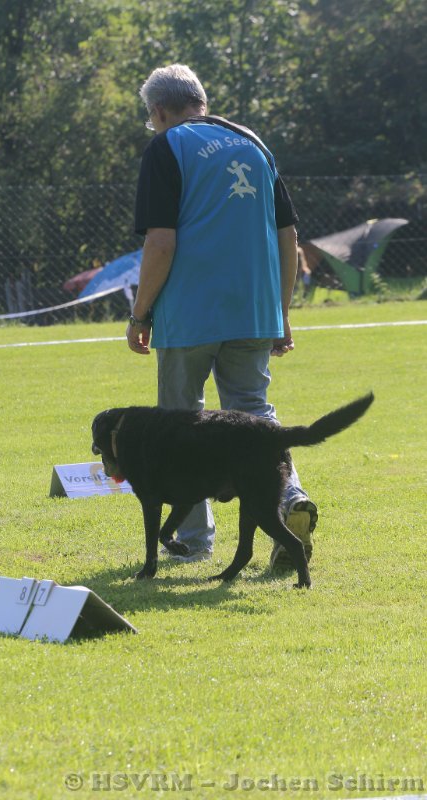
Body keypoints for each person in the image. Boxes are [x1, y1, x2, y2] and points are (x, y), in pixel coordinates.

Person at [126, 64, 317, 572]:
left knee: (180, 422)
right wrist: (280, 311)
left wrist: (140, 313)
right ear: (202, 103)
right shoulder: (253, 143)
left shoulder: (167, 147)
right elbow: (288, 236)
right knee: (256, 418)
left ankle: (193, 541)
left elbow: (160, 243)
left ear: (158, 111)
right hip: (254, 308)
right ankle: (290, 498)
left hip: (189, 312)